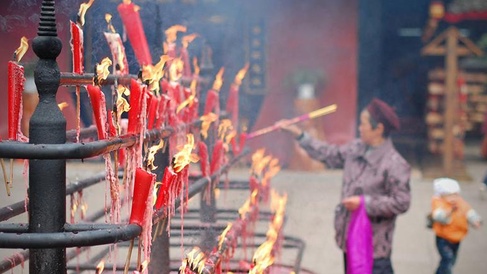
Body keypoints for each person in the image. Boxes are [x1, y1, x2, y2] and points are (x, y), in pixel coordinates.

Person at [278, 98, 411, 274]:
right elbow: (328, 153)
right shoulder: (356, 148)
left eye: (363, 124)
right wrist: (299, 135)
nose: (359, 128)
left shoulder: (394, 164)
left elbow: (402, 202)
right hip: (350, 242)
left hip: (374, 249)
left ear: (378, 129)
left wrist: (365, 203)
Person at [430, 177, 482, 274]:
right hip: (443, 238)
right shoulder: (439, 203)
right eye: (450, 196)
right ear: (442, 195)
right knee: (447, 259)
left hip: (457, 238)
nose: (453, 198)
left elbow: (469, 211)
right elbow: (437, 216)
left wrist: (475, 220)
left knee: (451, 260)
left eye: (455, 195)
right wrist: (448, 212)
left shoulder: (461, 203)